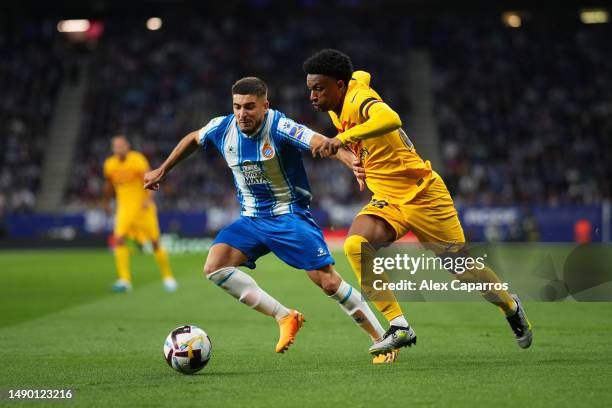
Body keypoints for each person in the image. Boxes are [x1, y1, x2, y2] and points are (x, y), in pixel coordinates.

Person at [144, 77, 398, 363]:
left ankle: (382, 340)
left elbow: (321, 142)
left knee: (328, 283)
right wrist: (163, 169)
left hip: (289, 217)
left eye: (250, 107)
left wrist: (350, 161)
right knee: (214, 267)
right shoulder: (222, 128)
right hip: (252, 219)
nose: (242, 114)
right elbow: (193, 137)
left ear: (265, 105)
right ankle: (285, 316)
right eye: (237, 107)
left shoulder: (280, 126)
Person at [303, 49, 533, 355]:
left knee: (461, 267)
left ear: (340, 85)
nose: (313, 96)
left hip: (423, 195)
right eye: (310, 89)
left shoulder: (358, 100)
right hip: (387, 199)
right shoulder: (345, 94)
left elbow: (390, 117)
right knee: (355, 245)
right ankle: (399, 326)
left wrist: (343, 141)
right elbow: (362, 74)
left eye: (319, 88)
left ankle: (509, 304)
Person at [103, 136, 177, 293]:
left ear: (127, 146)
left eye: (121, 145)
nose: (119, 148)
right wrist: (106, 202)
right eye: (116, 146)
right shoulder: (109, 165)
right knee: (119, 239)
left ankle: (168, 277)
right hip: (124, 209)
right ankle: (124, 280)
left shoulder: (137, 159)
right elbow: (109, 185)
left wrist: (149, 198)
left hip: (143, 208)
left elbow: (149, 178)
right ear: (112, 148)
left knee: (155, 242)